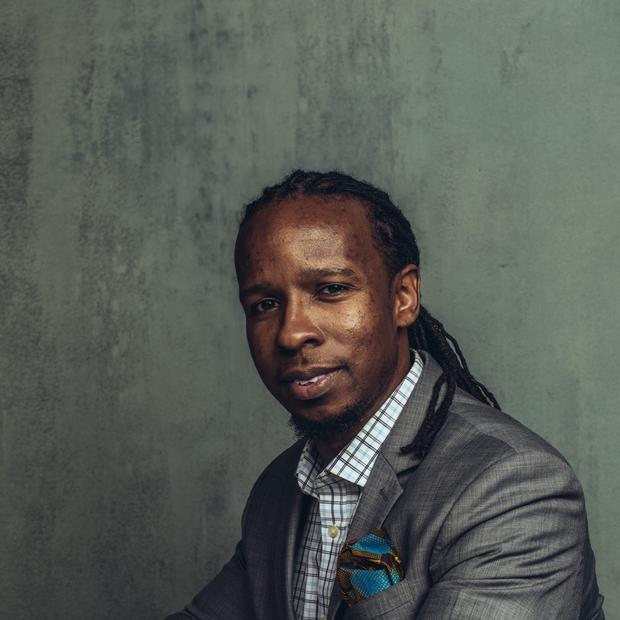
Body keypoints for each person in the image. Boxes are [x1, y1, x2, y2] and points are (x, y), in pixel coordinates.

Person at [166, 170, 604, 619]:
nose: (291, 333)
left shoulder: (512, 488)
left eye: (330, 290)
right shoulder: (279, 489)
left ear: (403, 297)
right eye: (264, 304)